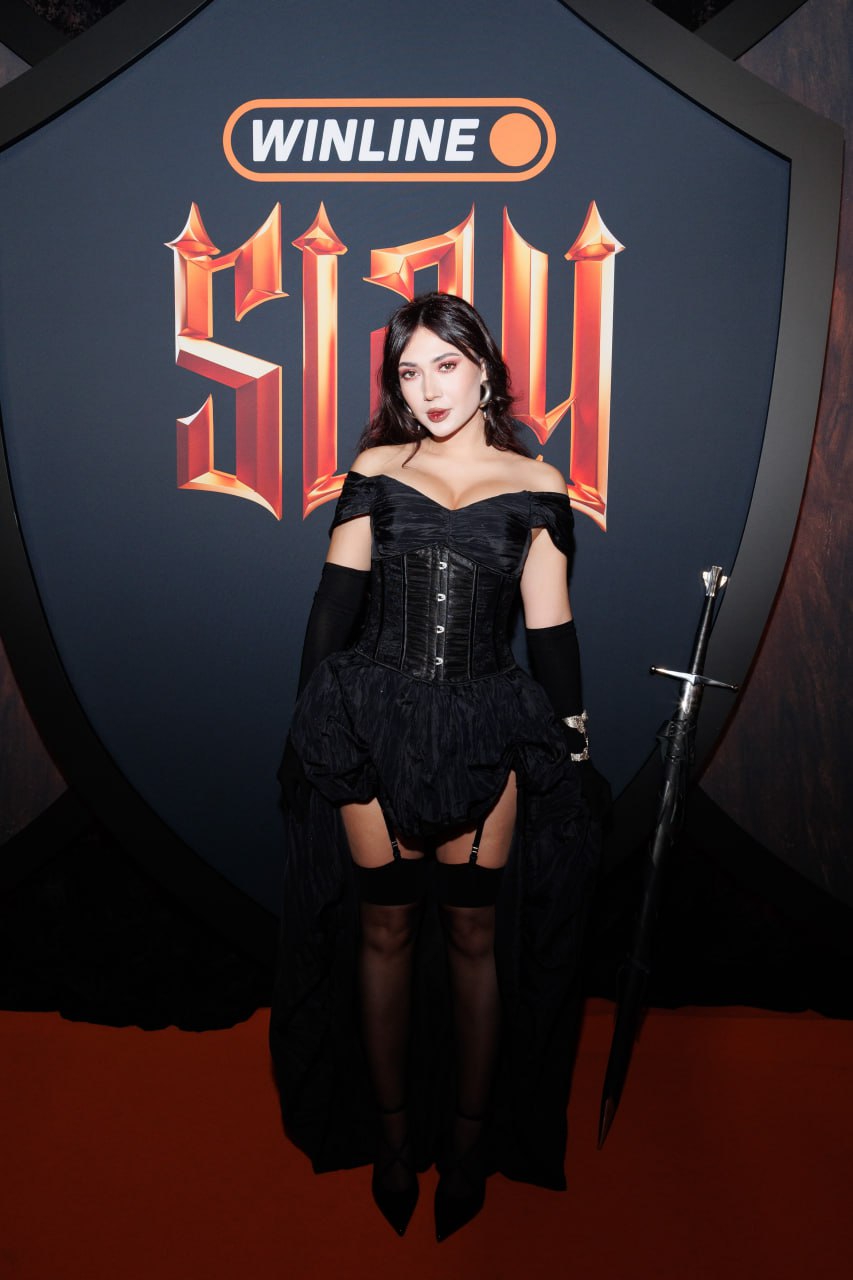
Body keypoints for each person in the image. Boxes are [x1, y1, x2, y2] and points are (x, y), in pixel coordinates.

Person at [270, 291, 602, 1242]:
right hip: (370, 721)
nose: (427, 390)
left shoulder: (537, 483)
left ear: (483, 368)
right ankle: (389, 1139)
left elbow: (551, 631)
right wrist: (309, 723)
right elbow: (332, 609)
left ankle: (465, 1143)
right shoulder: (377, 470)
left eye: (444, 366)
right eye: (409, 373)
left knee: (471, 940)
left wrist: (572, 742)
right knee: (382, 934)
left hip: (486, 727)